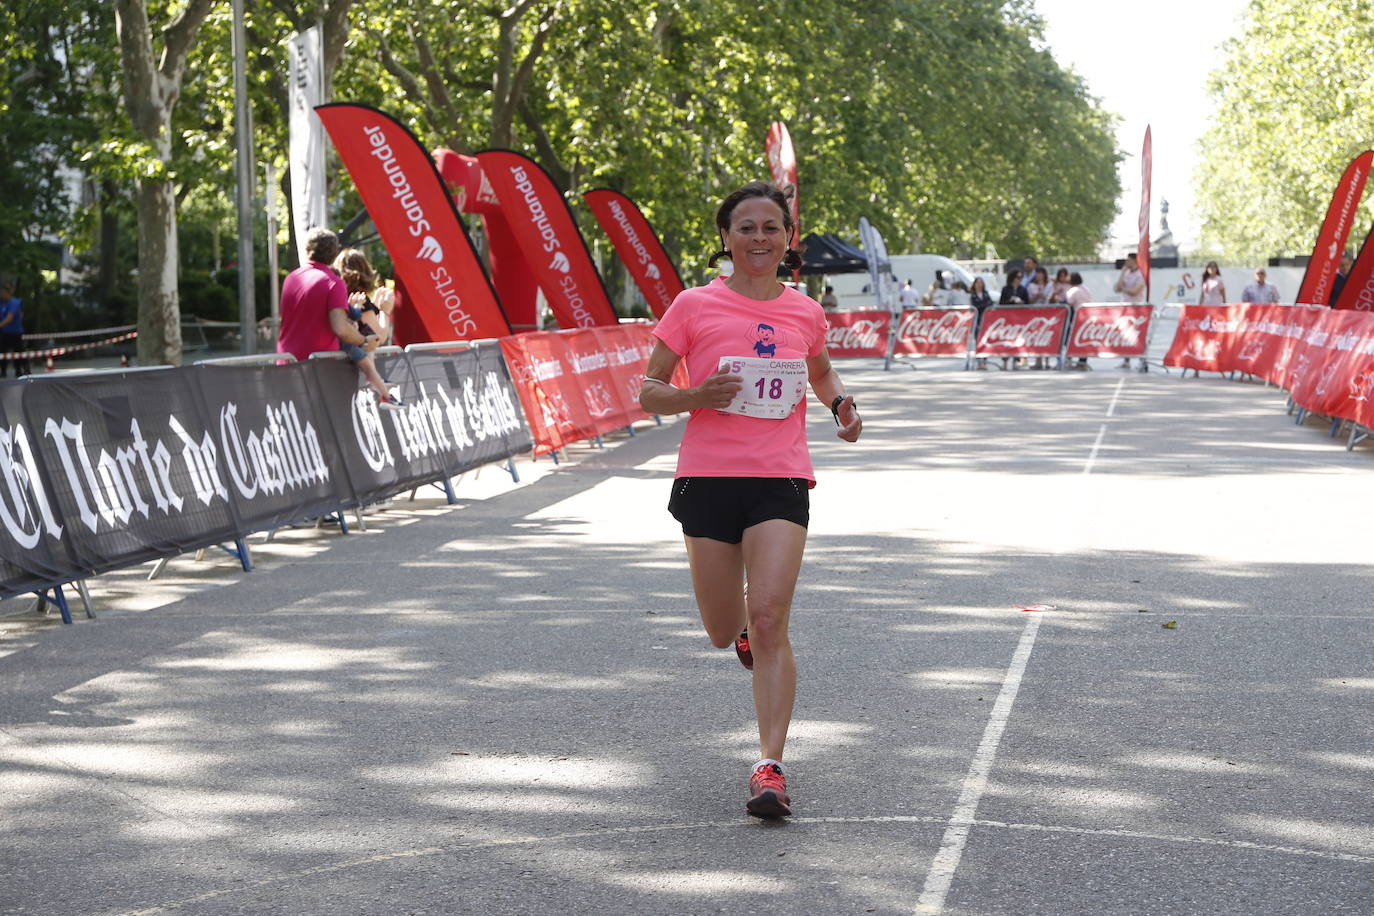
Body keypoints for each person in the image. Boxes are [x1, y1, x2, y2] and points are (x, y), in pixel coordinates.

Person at [638, 180, 862, 819]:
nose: (759, 238)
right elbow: (649, 390)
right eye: (746, 227)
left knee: (769, 617)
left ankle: (770, 767)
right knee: (721, 628)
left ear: (788, 237)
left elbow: (819, 371)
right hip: (708, 479)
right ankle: (736, 633)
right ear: (726, 238)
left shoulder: (804, 311)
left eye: (771, 227)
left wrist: (841, 406)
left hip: (780, 478)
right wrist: (695, 396)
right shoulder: (692, 306)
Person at [333, 248, 404, 409]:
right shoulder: (361, 300)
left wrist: (376, 308)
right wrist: (385, 311)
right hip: (352, 368)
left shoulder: (338, 295)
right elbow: (378, 337)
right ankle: (382, 391)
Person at [1113, 253, 1146, 368]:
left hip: (1137, 309)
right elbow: (1117, 288)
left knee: (1138, 334)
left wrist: (1124, 289)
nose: (1126, 263)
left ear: (1134, 261)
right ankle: (1126, 360)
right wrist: (1122, 273)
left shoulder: (1140, 274)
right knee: (1125, 334)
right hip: (1125, 308)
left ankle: (1142, 360)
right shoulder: (1126, 273)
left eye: (1128, 260)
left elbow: (1135, 291)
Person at [0, 281, 29, 377]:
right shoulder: (2, 304)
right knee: (3, 351)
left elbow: (9, 318)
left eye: (2, 293)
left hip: (15, 332)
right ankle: (3, 371)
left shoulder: (15, 303)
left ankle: (21, 370)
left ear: (7, 293)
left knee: (18, 352)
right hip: (5, 332)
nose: (1, 295)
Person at [1065, 272, 1092, 369]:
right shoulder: (1086, 289)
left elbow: (1069, 302)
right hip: (1087, 317)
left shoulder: (1073, 290)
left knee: (1070, 339)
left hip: (1076, 318)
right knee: (1083, 339)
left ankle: (1069, 360)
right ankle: (1082, 362)